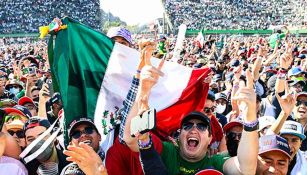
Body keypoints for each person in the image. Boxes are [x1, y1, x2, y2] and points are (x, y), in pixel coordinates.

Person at [124, 49, 259, 174]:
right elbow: (131, 139)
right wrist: (143, 90)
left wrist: (250, 118)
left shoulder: (216, 162)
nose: (193, 130)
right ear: (180, 135)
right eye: (187, 126)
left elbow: (246, 169)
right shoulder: (168, 151)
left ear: (210, 139)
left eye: (201, 126)